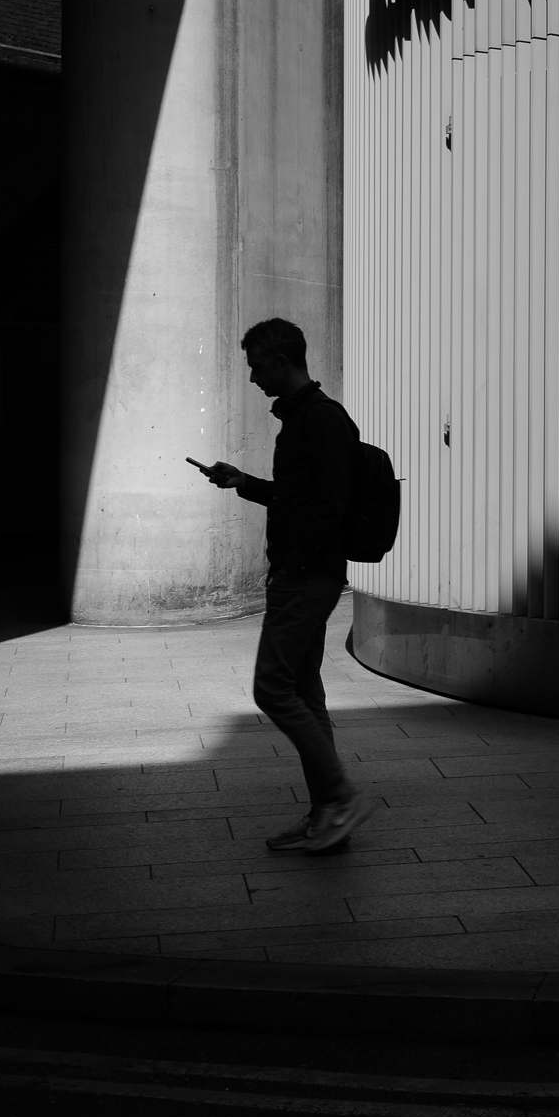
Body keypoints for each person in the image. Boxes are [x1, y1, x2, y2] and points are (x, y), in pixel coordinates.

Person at [188, 317, 378, 855]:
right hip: (303, 573)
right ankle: (326, 817)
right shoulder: (302, 418)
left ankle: (340, 799)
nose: (253, 378)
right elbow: (301, 498)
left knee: (272, 689)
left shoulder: (320, 419)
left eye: (256, 367)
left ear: (280, 361)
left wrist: (295, 561)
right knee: (304, 693)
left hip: (305, 576)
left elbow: (332, 504)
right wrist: (243, 483)